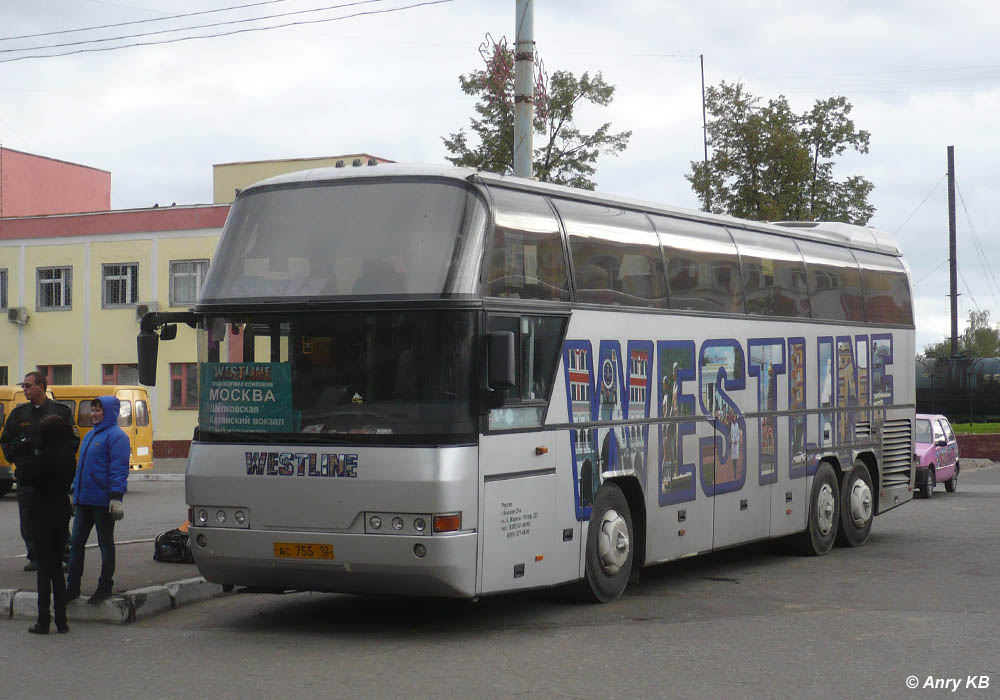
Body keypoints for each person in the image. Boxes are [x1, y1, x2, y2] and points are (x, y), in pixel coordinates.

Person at [0, 371, 78, 572]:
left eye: (28, 385)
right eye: (23, 386)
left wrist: (59, 458)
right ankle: (35, 556)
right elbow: (7, 442)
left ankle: (64, 554)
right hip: (28, 476)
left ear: (41, 386)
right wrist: (19, 451)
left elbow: (73, 441)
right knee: (28, 519)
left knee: (58, 517)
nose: (24, 389)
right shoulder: (19, 414)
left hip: (53, 478)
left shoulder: (60, 412)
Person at [66, 396, 130, 605]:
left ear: (109, 412)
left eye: (98, 410)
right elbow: (80, 468)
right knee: (76, 543)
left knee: (105, 544)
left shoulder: (117, 437)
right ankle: (72, 587)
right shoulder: (90, 436)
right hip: (84, 500)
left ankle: (104, 586)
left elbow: (119, 469)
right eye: (92, 410)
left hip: (103, 502)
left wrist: (116, 497)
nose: (93, 414)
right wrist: (75, 492)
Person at [18, 414, 77, 634]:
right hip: (61, 513)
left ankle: (44, 619)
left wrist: (28, 450)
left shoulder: (42, 457)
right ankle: (62, 621)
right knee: (57, 569)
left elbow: (25, 477)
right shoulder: (68, 454)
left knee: (44, 569)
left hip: (42, 515)